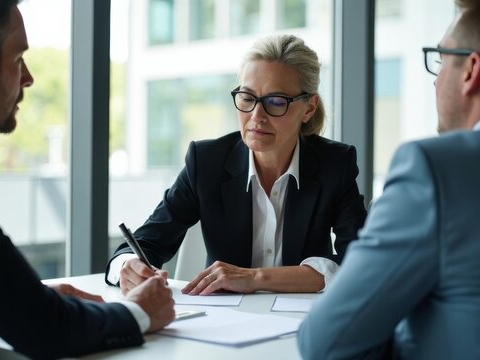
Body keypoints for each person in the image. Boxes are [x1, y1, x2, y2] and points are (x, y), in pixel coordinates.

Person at [0, 0, 174, 358]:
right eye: (17, 59)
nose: (28, 78)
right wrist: (138, 312)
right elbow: (44, 331)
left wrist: (19, 299)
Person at [297, 1, 480, 359]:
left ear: (471, 70)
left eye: (440, 60)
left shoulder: (436, 169)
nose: (436, 80)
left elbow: (325, 342)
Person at [106, 34, 367, 296]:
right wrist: (130, 266)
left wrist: (255, 278)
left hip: (303, 323)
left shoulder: (335, 164)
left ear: (309, 108)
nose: (256, 116)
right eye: (247, 97)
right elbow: (146, 242)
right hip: (222, 323)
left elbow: (360, 261)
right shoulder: (206, 161)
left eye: (276, 102)